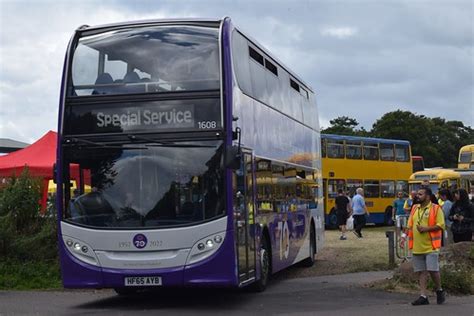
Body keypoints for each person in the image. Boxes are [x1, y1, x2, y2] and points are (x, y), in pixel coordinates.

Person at [401, 187, 445, 305]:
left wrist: (426, 229)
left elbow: (440, 225)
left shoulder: (436, 209)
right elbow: (409, 224)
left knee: (433, 270)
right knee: (421, 271)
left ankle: (439, 290)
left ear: (428, 196)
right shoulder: (415, 208)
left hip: (431, 246)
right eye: (417, 194)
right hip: (417, 246)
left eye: (420, 194)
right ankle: (423, 296)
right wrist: (403, 237)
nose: (417, 196)